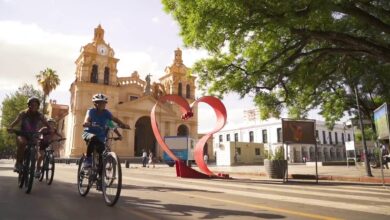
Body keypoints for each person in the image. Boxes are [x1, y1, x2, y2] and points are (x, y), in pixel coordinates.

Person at [82, 93, 130, 179]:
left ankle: (100, 180)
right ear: (95, 104)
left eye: (103, 103)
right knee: (93, 138)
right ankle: (88, 160)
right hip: (88, 133)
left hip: (100, 138)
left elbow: (113, 123)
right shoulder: (91, 111)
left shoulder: (106, 114)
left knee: (102, 155)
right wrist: (88, 123)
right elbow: (86, 120)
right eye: (99, 102)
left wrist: (123, 125)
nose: (102, 104)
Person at [7, 97, 53, 172]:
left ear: (38, 106)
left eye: (36, 105)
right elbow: (16, 121)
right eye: (32, 105)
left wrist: (50, 128)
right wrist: (10, 127)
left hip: (33, 135)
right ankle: (18, 163)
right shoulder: (23, 113)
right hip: (22, 134)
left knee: (36, 147)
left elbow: (46, 123)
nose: (34, 107)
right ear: (28, 105)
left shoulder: (39, 115)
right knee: (22, 143)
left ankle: (33, 164)